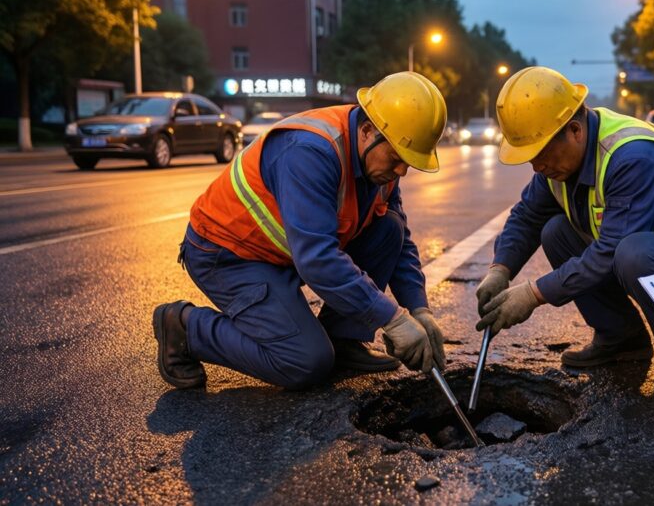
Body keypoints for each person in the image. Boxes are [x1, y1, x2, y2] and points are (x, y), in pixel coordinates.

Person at [153, 71, 449, 390]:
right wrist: (392, 319)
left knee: (389, 229)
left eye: (407, 161)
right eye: (396, 158)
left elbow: (399, 242)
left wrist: (419, 309)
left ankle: (343, 339)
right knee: (305, 362)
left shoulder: (380, 160)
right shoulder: (310, 151)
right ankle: (184, 329)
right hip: (228, 254)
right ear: (367, 131)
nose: (401, 170)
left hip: (282, 254)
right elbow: (317, 260)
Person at [476, 66, 654, 395]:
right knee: (555, 231)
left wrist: (533, 294)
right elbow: (527, 216)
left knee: (633, 254)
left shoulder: (633, 157)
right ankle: (621, 338)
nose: (537, 167)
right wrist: (500, 268)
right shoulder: (559, 162)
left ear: (575, 131)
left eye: (541, 154)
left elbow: (609, 252)